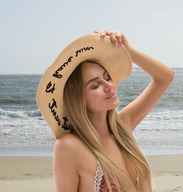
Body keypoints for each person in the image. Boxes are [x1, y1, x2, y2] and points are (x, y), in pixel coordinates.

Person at [36, 28, 174, 192]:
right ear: (79, 99)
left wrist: (126, 50)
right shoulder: (68, 146)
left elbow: (165, 77)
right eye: (96, 85)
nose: (109, 85)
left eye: (107, 77)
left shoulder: (123, 127)